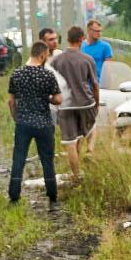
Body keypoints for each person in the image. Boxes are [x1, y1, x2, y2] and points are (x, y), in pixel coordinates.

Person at [5, 42, 66, 207]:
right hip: (44, 123)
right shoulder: (47, 75)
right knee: (47, 160)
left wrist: (16, 118)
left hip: (23, 122)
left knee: (19, 158)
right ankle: (52, 195)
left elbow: (11, 101)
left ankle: (14, 194)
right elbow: (59, 99)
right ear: (43, 55)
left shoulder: (17, 74)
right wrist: (48, 99)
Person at [50, 26, 99, 183]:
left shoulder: (56, 61)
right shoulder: (87, 59)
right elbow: (95, 85)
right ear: (81, 39)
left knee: (70, 142)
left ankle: (76, 176)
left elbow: (51, 85)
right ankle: (90, 151)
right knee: (92, 127)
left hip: (65, 105)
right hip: (85, 103)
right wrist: (96, 104)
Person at [79, 20, 114, 154]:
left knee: (94, 116)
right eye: (96, 31)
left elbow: (109, 67)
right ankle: (83, 145)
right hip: (82, 87)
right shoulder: (82, 46)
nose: (99, 33)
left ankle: (90, 148)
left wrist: (108, 85)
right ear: (89, 31)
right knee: (82, 118)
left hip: (98, 85)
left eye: (100, 31)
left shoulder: (105, 47)